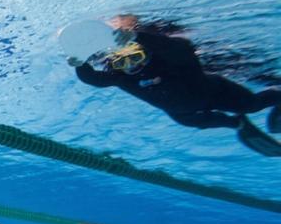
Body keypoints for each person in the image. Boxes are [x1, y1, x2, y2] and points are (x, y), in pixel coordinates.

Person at [60, 19, 281, 151]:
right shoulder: (121, 77)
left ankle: (276, 96)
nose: (131, 65)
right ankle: (236, 124)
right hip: (183, 113)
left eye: (134, 56)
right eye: (121, 62)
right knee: (215, 121)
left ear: (144, 51)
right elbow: (94, 80)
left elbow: (178, 46)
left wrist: (137, 35)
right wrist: (81, 65)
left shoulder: (168, 59)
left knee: (252, 105)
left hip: (216, 92)